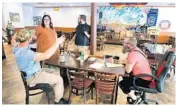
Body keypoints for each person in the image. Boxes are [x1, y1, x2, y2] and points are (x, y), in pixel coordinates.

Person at [11, 28, 68, 104]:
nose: (33, 37)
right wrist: (57, 43)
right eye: (31, 36)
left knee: (55, 71)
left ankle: (53, 90)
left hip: (34, 72)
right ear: (28, 39)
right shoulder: (27, 53)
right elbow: (46, 55)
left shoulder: (16, 47)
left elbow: (12, 40)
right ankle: (58, 101)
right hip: (33, 77)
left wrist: (14, 36)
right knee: (59, 79)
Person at [119, 37, 152, 104]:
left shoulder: (133, 54)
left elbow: (128, 70)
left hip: (143, 80)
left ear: (128, 45)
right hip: (147, 77)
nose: (122, 44)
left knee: (122, 83)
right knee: (125, 76)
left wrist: (123, 65)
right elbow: (127, 62)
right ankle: (132, 92)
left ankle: (134, 98)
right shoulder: (136, 50)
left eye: (123, 43)